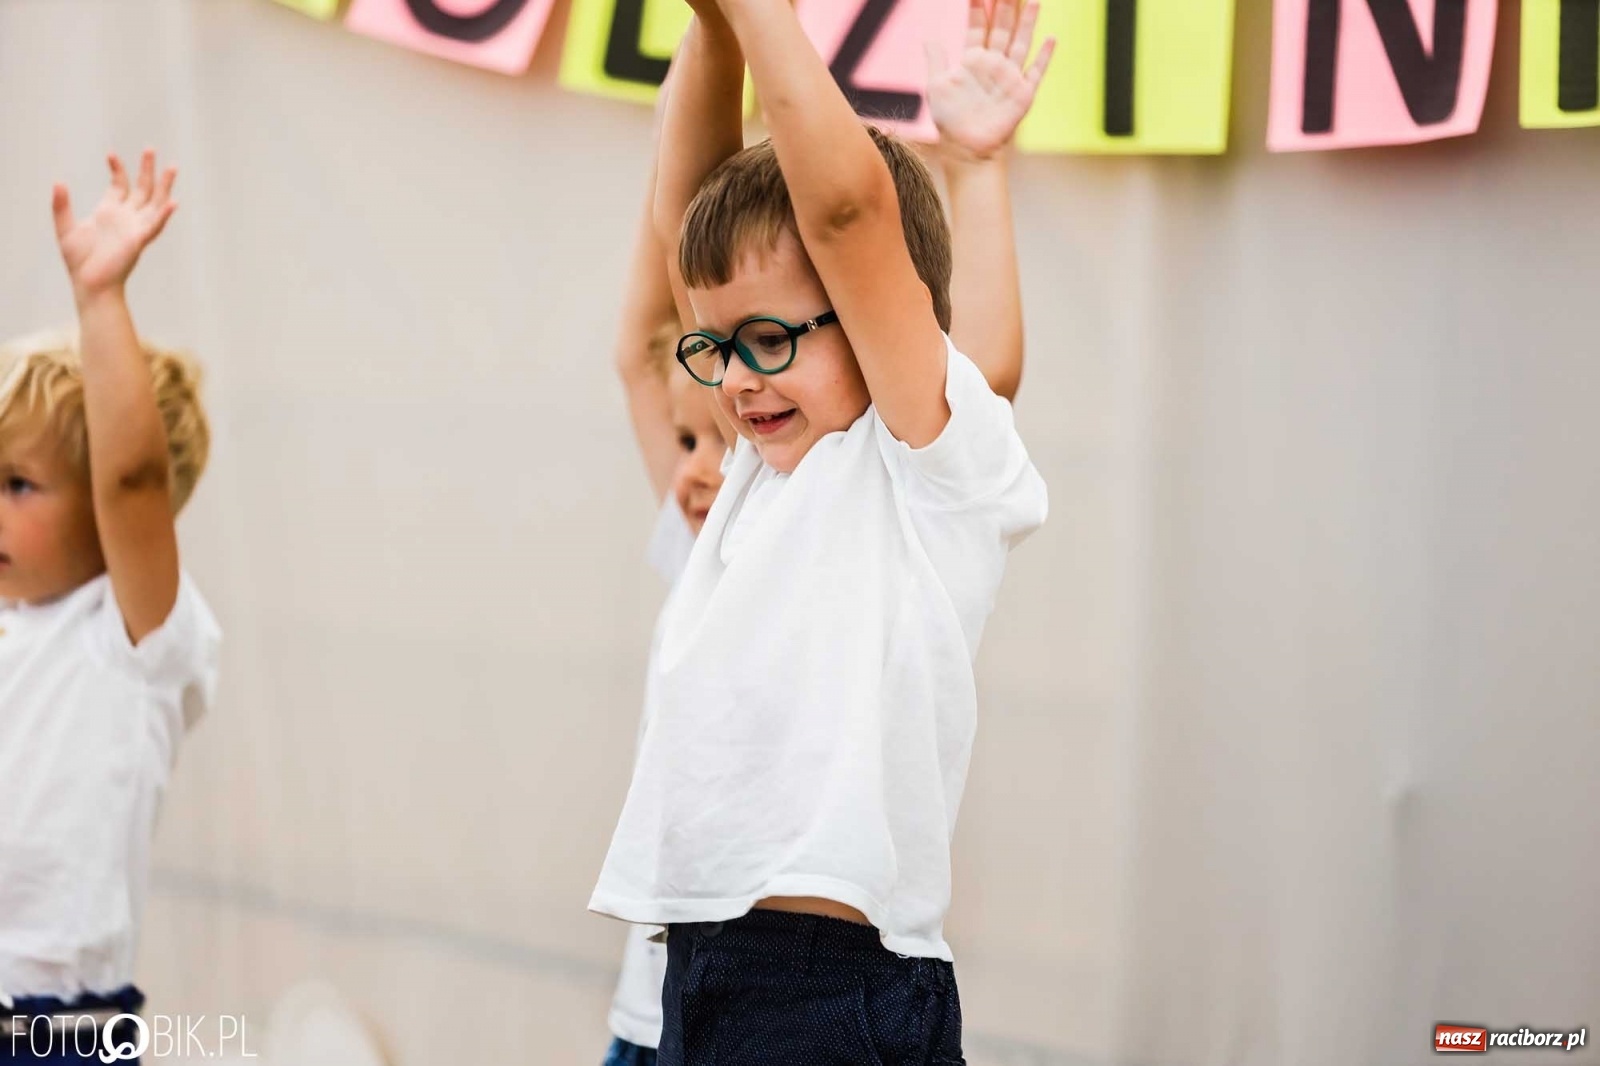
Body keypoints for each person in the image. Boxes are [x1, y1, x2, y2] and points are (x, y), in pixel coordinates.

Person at [588, 0, 1053, 1055]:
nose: (737, 380)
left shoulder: (921, 473)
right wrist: (710, 33)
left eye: (768, 339)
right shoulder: (760, 466)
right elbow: (683, 224)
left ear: (885, 315)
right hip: (701, 967)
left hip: (825, 990)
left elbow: (846, 217)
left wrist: (762, 17)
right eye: (719, 348)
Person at [0, 151, 220, 1063]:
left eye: (17, 484)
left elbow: (132, 479)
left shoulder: (134, 639)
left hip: (55, 1028)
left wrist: (101, 301)